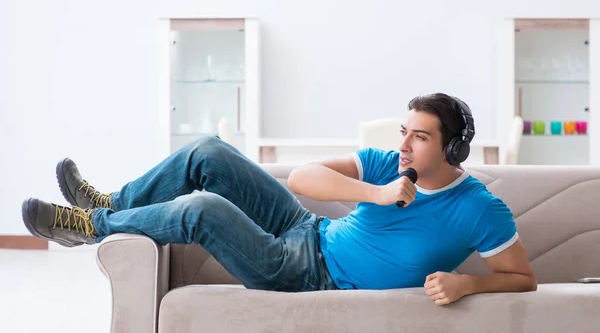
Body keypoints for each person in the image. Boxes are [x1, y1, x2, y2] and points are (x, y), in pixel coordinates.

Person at [21, 93, 537, 305]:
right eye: (404, 131)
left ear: (452, 147)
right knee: (209, 152)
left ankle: (92, 226)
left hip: (311, 276)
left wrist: (466, 282)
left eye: (419, 137)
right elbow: (302, 178)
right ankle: (108, 203)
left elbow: (523, 279)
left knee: (205, 209)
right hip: (306, 230)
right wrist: (376, 193)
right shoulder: (388, 166)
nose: (403, 145)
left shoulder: (479, 208)